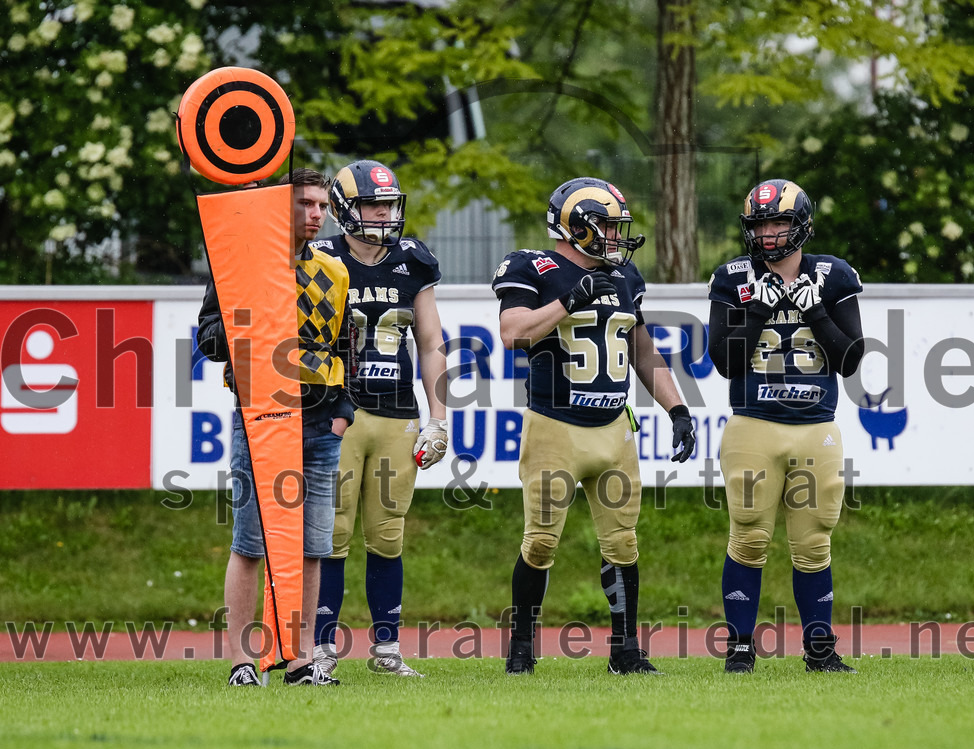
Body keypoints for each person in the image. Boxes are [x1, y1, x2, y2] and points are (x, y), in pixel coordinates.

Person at [491, 176, 696, 675]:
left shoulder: (625, 276)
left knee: (623, 542)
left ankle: (625, 650)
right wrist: (569, 300)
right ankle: (521, 646)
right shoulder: (533, 267)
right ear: (576, 226)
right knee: (540, 542)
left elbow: (642, 349)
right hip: (554, 425)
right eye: (606, 225)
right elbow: (512, 334)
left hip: (613, 426)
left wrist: (678, 409)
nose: (615, 236)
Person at [197, 168, 354, 686]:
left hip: (321, 424)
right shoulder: (238, 262)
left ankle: (302, 660)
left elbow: (346, 346)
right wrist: (254, 318)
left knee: (313, 546)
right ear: (279, 206)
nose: (316, 215)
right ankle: (243, 663)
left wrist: (344, 411)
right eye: (304, 203)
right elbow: (208, 339)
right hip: (260, 418)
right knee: (250, 543)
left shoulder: (334, 270)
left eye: (322, 206)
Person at [707, 178, 865, 674]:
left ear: (801, 225)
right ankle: (739, 647)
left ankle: (820, 648)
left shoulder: (833, 275)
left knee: (814, 541)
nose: (769, 233)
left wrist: (813, 309)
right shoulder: (733, 277)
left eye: (778, 222)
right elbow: (725, 362)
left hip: (816, 425)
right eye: (760, 224)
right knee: (749, 537)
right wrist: (758, 307)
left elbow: (850, 359)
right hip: (753, 424)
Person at [309, 160, 448, 678]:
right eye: (373, 205)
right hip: (338, 412)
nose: (384, 214)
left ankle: (387, 649)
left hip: (397, 413)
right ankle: (319, 647)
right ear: (345, 210)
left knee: (388, 533)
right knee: (331, 533)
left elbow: (431, 342)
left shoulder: (413, 260)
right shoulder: (320, 259)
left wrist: (438, 417)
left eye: (389, 204)